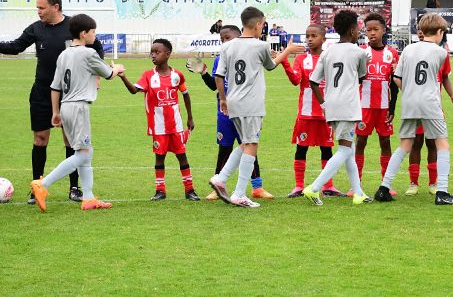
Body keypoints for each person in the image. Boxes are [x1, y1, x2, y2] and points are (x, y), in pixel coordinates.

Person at [0, 0, 105, 204]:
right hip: (42, 92)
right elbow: (15, 47)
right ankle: (36, 186)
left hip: (70, 94)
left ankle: (74, 188)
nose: (38, 12)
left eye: (41, 8)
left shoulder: (74, 27)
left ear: (55, 6)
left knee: (72, 142)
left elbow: (96, 48)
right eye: (37, 8)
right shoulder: (36, 29)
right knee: (40, 139)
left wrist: (96, 75)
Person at [209, 7, 302, 208]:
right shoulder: (260, 46)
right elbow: (271, 66)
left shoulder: (227, 47)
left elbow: (219, 75)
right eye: (263, 24)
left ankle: (221, 178)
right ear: (258, 24)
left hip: (233, 101)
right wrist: (288, 51)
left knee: (244, 144)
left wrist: (223, 100)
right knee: (252, 145)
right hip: (251, 103)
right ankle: (240, 193)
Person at [30, 14, 123, 212]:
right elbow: (108, 74)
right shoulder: (88, 54)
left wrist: (55, 112)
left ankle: (88, 198)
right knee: (82, 154)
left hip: (65, 106)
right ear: (84, 33)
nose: (95, 36)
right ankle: (42, 184)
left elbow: (55, 86)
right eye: (93, 32)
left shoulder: (64, 54)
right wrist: (118, 69)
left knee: (85, 151)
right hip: (79, 107)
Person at [374, 13, 453, 205]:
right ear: (440, 32)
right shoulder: (441, 52)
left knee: (405, 144)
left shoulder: (408, 50)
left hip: (409, 102)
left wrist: (410, 91)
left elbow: (397, 78)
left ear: (422, 31)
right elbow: (440, 76)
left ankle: (384, 188)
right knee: (442, 144)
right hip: (430, 102)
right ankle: (442, 191)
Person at [184, 25, 272, 201]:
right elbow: (214, 85)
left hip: (244, 109)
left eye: (228, 38)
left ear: (239, 37)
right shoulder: (221, 59)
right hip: (224, 113)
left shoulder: (249, 56)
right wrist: (203, 73)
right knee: (224, 149)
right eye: (222, 39)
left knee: (249, 146)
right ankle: (218, 186)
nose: (224, 42)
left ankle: (257, 187)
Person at [301, 10, 371, 206]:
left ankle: (358, 193)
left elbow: (314, 81)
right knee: (345, 150)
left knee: (348, 147)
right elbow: (362, 78)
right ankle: (314, 188)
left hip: (331, 106)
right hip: (348, 105)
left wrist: (323, 104)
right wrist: (367, 61)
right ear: (352, 30)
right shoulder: (358, 52)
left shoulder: (328, 51)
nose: (359, 30)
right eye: (358, 27)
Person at [119, 39, 200, 201]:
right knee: (159, 157)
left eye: (157, 52)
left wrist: (190, 117)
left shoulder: (177, 75)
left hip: (176, 126)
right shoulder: (148, 76)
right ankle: (160, 190)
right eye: (152, 52)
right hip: (159, 127)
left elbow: (185, 95)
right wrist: (123, 76)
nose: (153, 55)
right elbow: (134, 90)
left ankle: (190, 190)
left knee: (182, 156)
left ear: (168, 54)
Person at [278, 24, 343, 198]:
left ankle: (328, 185)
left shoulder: (330, 58)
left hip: (326, 113)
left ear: (323, 38)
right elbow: (295, 80)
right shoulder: (301, 60)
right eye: (307, 35)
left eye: (314, 35)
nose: (309, 39)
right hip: (306, 113)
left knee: (327, 150)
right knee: (301, 148)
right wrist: (285, 61)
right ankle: (298, 186)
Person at [405, 29, 453, 196]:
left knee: (433, 144)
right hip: (416, 106)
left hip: (434, 106)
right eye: (419, 31)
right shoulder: (411, 52)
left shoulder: (441, 54)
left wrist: (452, 94)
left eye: (425, 31)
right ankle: (413, 183)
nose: (421, 34)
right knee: (415, 143)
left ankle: (433, 182)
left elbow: (444, 77)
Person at [354, 13, 399, 193]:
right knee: (360, 142)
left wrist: (392, 107)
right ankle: (356, 184)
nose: (372, 33)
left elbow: (395, 85)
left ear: (383, 30)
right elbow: (354, 80)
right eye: (368, 30)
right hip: (363, 107)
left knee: (385, 142)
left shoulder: (392, 54)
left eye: (375, 29)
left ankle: (386, 184)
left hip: (383, 107)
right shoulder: (361, 53)